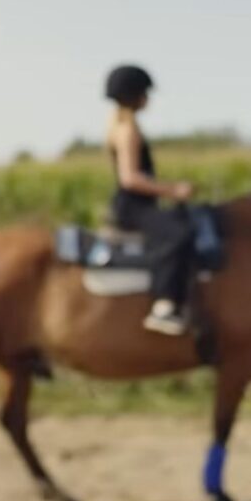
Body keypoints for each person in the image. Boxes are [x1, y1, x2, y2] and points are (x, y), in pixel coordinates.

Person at [104, 64, 196, 336]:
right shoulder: (128, 130)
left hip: (137, 205)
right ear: (135, 95)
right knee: (178, 234)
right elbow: (130, 178)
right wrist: (174, 191)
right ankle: (164, 306)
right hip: (133, 208)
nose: (149, 98)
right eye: (145, 93)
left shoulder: (121, 126)